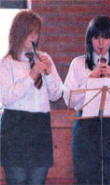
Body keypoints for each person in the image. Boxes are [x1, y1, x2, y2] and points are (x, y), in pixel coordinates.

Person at [63, 15, 110, 185]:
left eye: (106, 37)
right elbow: (69, 100)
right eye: (96, 37)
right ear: (90, 39)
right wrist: (90, 79)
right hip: (85, 127)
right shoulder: (78, 63)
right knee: (86, 178)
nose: (101, 43)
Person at [0, 10, 63, 185]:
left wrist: (49, 73)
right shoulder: (6, 63)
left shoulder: (45, 58)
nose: (34, 37)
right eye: (30, 32)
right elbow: (6, 98)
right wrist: (32, 75)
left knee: (38, 181)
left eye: (37, 33)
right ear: (19, 32)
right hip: (15, 125)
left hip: (40, 125)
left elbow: (57, 94)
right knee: (18, 181)